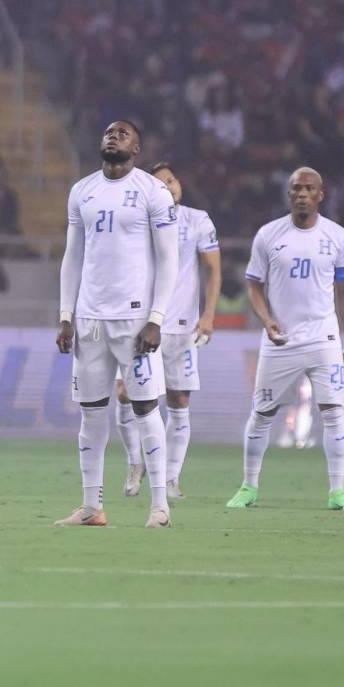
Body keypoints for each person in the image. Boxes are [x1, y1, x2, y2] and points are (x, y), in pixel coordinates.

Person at [54, 121, 180, 529]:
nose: (113, 136)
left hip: (135, 320)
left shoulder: (152, 192)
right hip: (89, 321)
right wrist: (65, 314)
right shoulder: (82, 191)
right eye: (108, 131)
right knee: (91, 413)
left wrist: (157, 318)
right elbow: (72, 256)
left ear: (137, 147)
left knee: (145, 409)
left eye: (123, 133)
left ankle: (159, 505)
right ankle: (92, 506)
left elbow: (169, 259)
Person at [225, 167, 344, 512]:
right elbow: (254, 284)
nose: (302, 194)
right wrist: (268, 320)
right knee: (262, 413)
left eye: (308, 188)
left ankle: (337, 492)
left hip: (323, 338)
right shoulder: (268, 236)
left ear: (321, 194)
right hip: (281, 339)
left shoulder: (338, 237)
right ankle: (248, 487)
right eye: (296, 188)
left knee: (333, 412)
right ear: (289, 195)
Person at [114, 162, 221, 500]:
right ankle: (135, 462)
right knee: (126, 395)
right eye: (160, 184)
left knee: (179, 400)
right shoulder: (137, 222)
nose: (169, 187)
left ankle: (171, 477)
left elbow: (213, 270)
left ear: (180, 183)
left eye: (172, 180)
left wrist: (208, 314)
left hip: (181, 328)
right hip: (143, 325)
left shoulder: (198, 220)